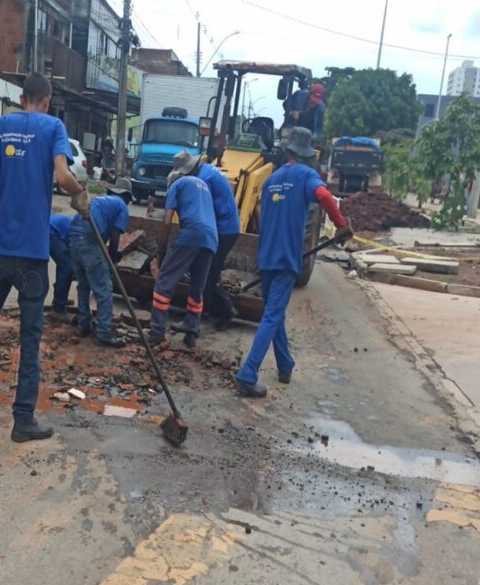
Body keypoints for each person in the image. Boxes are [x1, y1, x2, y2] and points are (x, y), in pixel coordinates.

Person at [0, 73, 90, 443]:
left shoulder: (4, 125)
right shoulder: (54, 126)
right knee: (30, 338)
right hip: (31, 256)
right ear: (46, 100)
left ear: (22, 97)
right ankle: (23, 419)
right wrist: (80, 195)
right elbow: (62, 176)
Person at [235, 127, 350, 398]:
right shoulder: (306, 176)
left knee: (276, 313)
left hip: (266, 256)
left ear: (288, 151)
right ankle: (248, 373)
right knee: (272, 314)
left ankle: (285, 364)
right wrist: (340, 224)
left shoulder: (271, 179)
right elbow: (323, 196)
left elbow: (263, 212)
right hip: (286, 257)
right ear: (306, 154)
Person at [148, 153, 218, 349]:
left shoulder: (176, 185)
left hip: (192, 234)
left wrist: (161, 252)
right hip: (212, 238)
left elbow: (167, 222)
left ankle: (157, 332)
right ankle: (191, 332)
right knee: (197, 286)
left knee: (164, 282)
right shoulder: (203, 185)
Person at [68, 179, 133, 348]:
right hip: (89, 240)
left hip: (74, 238)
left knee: (84, 285)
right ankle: (103, 332)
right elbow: (115, 236)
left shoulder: (100, 201)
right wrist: (112, 261)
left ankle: (84, 324)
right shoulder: (121, 206)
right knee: (104, 289)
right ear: (127, 197)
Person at [196, 156, 242, 330]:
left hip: (223, 231)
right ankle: (207, 310)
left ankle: (226, 310)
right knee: (208, 273)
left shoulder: (202, 180)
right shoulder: (208, 169)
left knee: (207, 274)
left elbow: (203, 209)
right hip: (228, 228)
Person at [48, 213, 74, 324]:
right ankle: (58, 309)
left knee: (65, 266)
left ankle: (60, 298)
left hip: (50, 229)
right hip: (50, 232)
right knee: (67, 268)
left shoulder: (77, 224)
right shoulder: (80, 230)